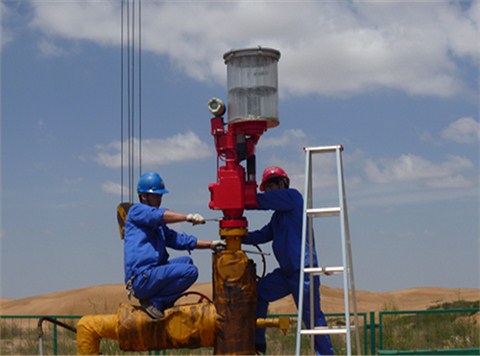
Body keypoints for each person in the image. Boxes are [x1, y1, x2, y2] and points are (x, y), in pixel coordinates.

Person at [242, 166, 334, 355]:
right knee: (259, 292)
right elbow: (262, 235)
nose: (268, 191)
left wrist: (239, 196)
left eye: (271, 186)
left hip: (303, 271)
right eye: (265, 188)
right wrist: (237, 236)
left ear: (282, 183)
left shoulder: (293, 197)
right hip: (286, 274)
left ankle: (326, 354)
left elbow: (262, 201)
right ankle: (258, 345)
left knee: (312, 318)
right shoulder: (277, 217)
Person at [124, 171, 222, 319]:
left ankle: (159, 300)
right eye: (156, 196)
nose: (159, 200)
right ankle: (156, 301)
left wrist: (211, 244)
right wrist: (187, 217)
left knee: (187, 261)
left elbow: (178, 239)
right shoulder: (136, 211)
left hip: (151, 274)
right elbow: (158, 215)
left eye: (160, 196)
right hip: (141, 278)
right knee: (190, 271)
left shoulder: (157, 225)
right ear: (144, 196)